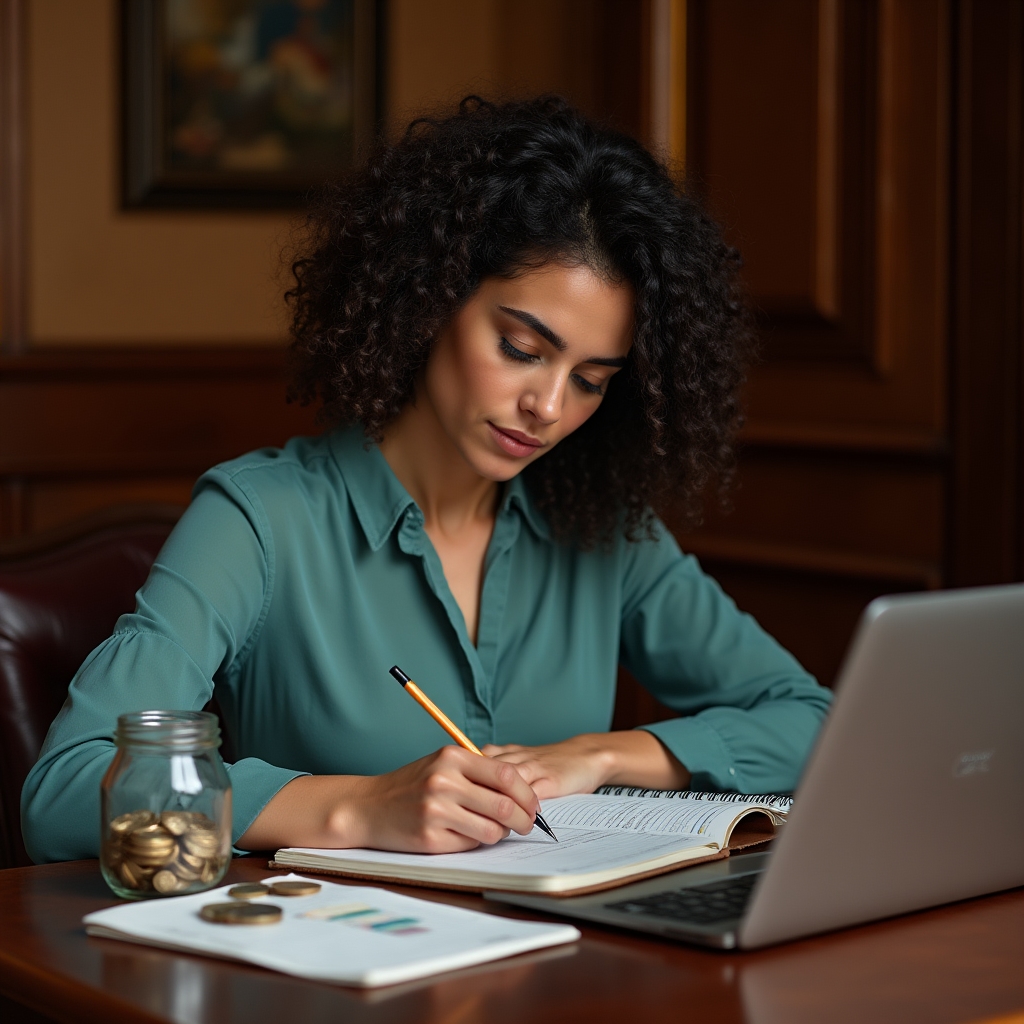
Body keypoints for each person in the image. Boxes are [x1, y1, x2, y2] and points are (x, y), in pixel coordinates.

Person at [22, 97, 831, 863]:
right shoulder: (261, 519)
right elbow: (64, 789)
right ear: (431, 298)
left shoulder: (606, 532)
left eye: (591, 380)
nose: (549, 406)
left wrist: (602, 756)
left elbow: (815, 721)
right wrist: (357, 806)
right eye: (521, 349)